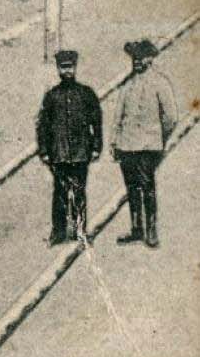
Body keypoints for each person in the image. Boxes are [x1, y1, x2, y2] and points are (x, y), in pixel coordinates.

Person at [111, 39, 177, 248]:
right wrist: (114, 141)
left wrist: (159, 138)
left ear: (150, 59)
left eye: (140, 57)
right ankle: (136, 229)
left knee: (147, 187)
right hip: (127, 146)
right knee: (132, 189)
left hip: (148, 147)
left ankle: (151, 231)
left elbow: (171, 118)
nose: (137, 61)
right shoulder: (128, 85)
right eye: (134, 58)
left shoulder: (160, 83)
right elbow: (118, 116)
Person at [35, 49, 102, 244]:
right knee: (60, 193)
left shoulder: (86, 94)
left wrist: (96, 147)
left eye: (70, 67)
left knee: (79, 192)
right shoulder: (52, 96)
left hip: (81, 152)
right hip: (60, 154)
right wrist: (44, 151)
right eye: (63, 68)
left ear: (75, 68)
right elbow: (42, 126)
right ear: (58, 69)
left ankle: (80, 231)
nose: (67, 71)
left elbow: (96, 121)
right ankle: (59, 232)